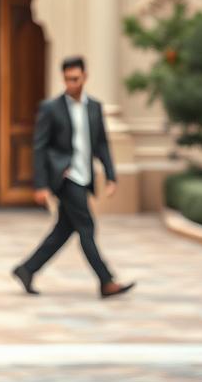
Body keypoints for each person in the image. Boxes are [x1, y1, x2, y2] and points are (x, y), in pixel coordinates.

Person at [12, 55, 134, 299]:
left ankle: (26, 269)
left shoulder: (94, 107)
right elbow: (40, 147)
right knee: (87, 227)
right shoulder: (51, 108)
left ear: (85, 77)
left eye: (76, 79)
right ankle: (106, 281)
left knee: (64, 230)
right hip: (66, 179)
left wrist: (111, 176)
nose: (72, 84)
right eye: (67, 79)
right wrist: (41, 184)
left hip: (85, 177)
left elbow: (101, 144)